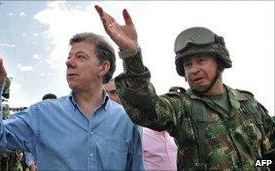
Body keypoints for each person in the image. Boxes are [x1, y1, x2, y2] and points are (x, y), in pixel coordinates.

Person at [95, 5, 275, 170]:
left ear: (219, 63)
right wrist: (131, 53)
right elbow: (146, 109)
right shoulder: (181, 106)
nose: (194, 69)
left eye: (201, 61)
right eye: (188, 64)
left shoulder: (249, 105)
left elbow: (269, 153)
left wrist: (257, 163)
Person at [0, 33, 144, 170]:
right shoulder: (42, 114)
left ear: (103, 68)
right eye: (69, 56)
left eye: (80, 57)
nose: (69, 62)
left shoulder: (127, 121)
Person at [104, 79, 178, 170]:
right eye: (105, 93)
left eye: (114, 92)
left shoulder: (176, 132)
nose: (109, 97)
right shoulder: (139, 131)